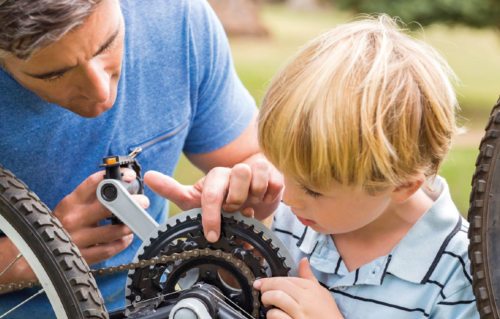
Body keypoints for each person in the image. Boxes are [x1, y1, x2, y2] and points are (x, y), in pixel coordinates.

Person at [0, 0, 282, 316]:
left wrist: (245, 192)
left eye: (107, 44)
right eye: (54, 74)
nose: (100, 93)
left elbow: (251, 156)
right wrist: (28, 255)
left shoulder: (176, 17)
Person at [248, 15, 479, 318]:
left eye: (313, 189)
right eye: (282, 169)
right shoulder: (292, 223)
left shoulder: (459, 274)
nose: (287, 197)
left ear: (402, 185)